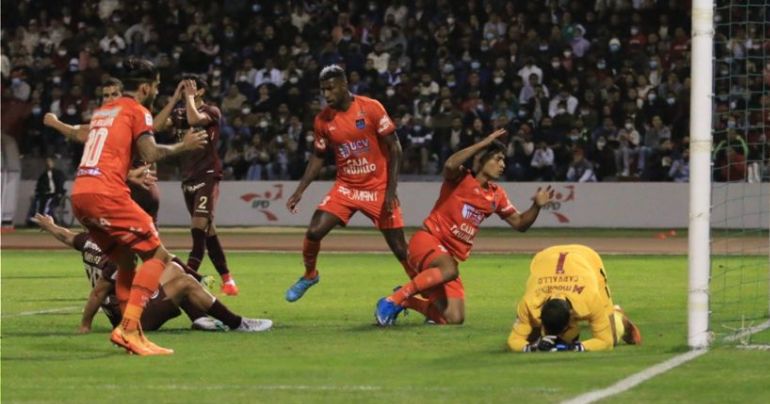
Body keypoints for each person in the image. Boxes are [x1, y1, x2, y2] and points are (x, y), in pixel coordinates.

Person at [70, 57, 208, 356]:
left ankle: (131, 332)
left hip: (81, 192)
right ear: (145, 87)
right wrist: (184, 146)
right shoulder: (137, 110)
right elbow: (149, 151)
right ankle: (130, 329)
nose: (156, 90)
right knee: (158, 254)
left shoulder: (103, 111)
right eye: (156, 86)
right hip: (107, 194)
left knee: (124, 262)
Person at [374, 129, 555, 326]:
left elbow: (520, 224)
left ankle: (408, 300)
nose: (503, 165)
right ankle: (391, 301)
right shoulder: (460, 178)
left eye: (504, 161)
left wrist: (536, 206)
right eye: (498, 159)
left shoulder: (497, 195)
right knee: (450, 270)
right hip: (427, 241)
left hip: (446, 259)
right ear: (481, 159)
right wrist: (483, 143)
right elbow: (450, 164)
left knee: (453, 317)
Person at [284, 64, 409, 302]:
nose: (327, 95)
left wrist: (391, 190)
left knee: (402, 250)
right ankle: (310, 275)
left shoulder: (371, 108)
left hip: (378, 188)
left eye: (331, 89)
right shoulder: (323, 120)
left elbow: (396, 148)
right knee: (314, 232)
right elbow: (319, 156)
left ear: (344, 85)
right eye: (323, 90)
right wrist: (300, 190)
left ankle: (430, 294)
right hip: (346, 188)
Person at [32, 213, 272, 334]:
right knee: (185, 282)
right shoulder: (116, 254)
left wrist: (49, 225)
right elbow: (98, 293)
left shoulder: (88, 241)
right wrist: (85, 325)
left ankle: (199, 318)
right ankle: (238, 323)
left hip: (122, 309)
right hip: (131, 318)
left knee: (173, 269)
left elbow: (66, 235)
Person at [156, 75, 238, 295]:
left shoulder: (212, 111)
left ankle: (188, 277)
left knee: (197, 228)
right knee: (208, 230)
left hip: (208, 174)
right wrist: (174, 100)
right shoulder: (179, 111)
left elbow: (194, 120)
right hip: (188, 177)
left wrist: (189, 98)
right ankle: (227, 280)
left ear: (200, 91)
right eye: (181, 87)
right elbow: (156, 126)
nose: (184, 91)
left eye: (189, 88)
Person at [44, 77, 162, 222]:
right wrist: (56, 123)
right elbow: (78, 132)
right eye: (106, 95)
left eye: (115, 94)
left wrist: (55, 123)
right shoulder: (105, 121)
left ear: (123, 96)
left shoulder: (133, 117)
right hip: (116, 188)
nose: (110, 99)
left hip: (136, 188)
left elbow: (150, 155)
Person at [506, 244, 642, 352]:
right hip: (546, 257)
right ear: (540, 314)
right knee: (532, 339)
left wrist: (575, 347)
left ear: (572, 316)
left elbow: (605, 342)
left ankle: (618, 317)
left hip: (588, 260)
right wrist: (531, 347)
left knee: (611, 338)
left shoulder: (590, 299)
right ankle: (555, 334)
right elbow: (514, 341)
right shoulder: (530, 303)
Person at [27, 157, 65, 223]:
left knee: (48, 203)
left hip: (55, 194)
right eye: (47, 163)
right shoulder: (43, 176)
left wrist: (59, 193)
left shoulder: (58, 174)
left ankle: (45, 218)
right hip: (45, 194)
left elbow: (60, 184)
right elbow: (39, 186)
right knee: (36, 200)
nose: (48, 164)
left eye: (49, 163)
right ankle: (34, 217)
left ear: (53, 163)